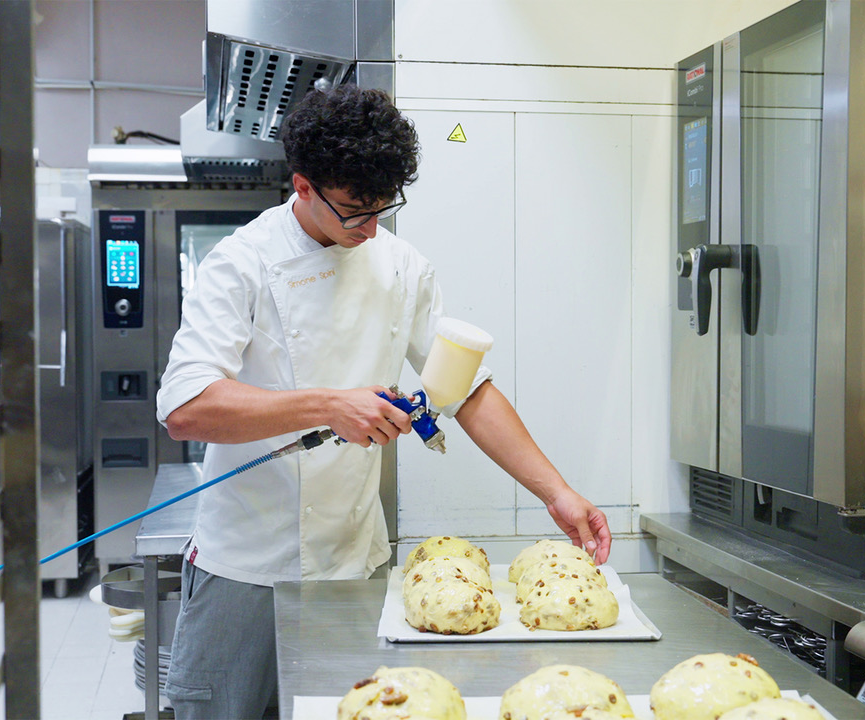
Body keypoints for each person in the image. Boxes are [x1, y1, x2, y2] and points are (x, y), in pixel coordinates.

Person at [155, 84, 612, 720]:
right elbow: (187, 407)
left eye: (382, 209)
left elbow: (468, 391)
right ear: (304, 186)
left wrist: (556, 492)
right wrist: (326, 405)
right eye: (353, 212)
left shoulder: (402, 266)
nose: (370, 228)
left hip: (353, 559)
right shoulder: (243, 262)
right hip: (245, 564)